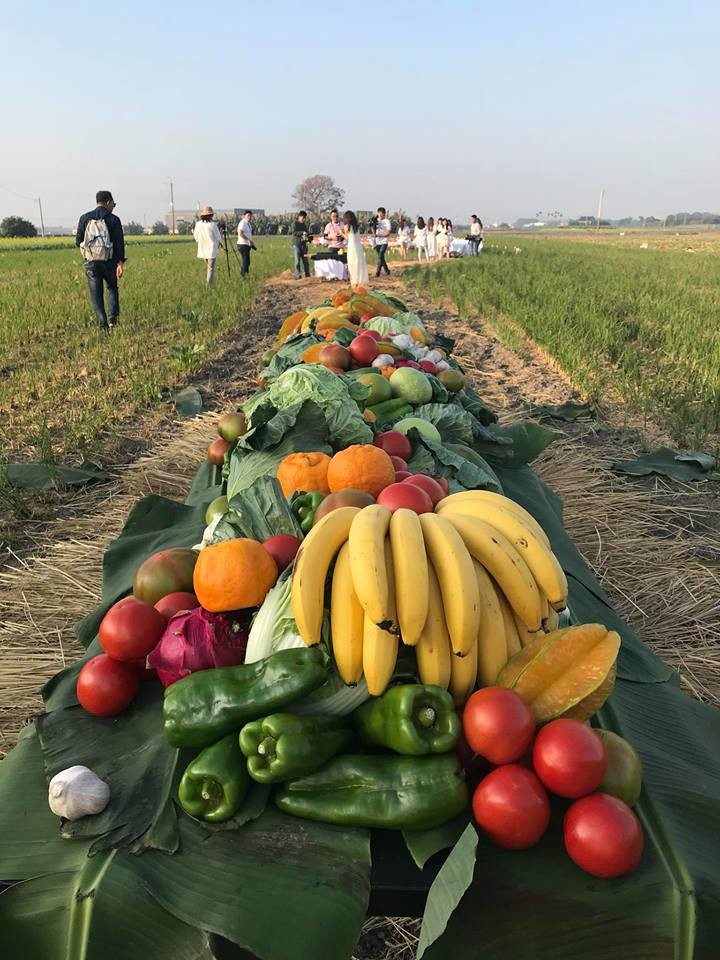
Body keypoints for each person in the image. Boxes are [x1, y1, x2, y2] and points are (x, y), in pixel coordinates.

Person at [75, 189, 125, 333]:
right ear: (108, 202)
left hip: (91, 263)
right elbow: (119, 244)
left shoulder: (84, 218)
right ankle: (112, 320)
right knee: (112, 289)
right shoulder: (114, 219)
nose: (113, 207)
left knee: (96, 296)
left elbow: (78, 241)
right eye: (113, 204)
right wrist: (120, 263)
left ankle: (103, 327)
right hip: (109, 262)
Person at [193, 206, 223, 286]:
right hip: (211, 250)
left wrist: (201, 242)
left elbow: (195, 236)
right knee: (211, 269)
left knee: (209, 267)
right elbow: (218, 237)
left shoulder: (198, 224)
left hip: (202, 249)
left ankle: (210, 284)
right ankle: (209, 285)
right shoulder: (213, 225)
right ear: (210, 215)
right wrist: (220, 244)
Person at [343, 210, 369, 289]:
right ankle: (360, 284)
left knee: (352, 265)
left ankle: (354, 284)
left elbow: (347, 238)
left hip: (352, 247)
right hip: (358, 247)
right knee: (359, 265)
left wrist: (341, 234)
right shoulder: (356, 226)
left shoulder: (346, 226)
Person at [292, 210, 311, 279]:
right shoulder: (295, 224)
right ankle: (298, 276)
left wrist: (308, 237)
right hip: (296, 244)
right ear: (299, 217)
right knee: (297, 261)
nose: (304, 219)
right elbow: (294, 232)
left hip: (304, 245)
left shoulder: (304, 225)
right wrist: (302, 233)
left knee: (305, 261)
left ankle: (307, 275)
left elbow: (307, 233)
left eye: (305, 218)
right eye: (303, 218)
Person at [374, 206, 391, 278]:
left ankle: (378, 271)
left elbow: (388, 232)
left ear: (384, 214)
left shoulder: (387, 221)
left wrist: (380, 235)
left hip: (384, 242)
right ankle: (387, 270)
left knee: (381, 254)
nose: (380, 215)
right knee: (381, 257)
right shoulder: (376, 221)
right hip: (377, 242)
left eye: (381, 214)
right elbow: (373, 230)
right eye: (379, 213)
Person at [236, 210, 256, 276]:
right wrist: (248, 240)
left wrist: (250, 242)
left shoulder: (248, 223)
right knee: (245, 261)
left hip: (247, 245)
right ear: (244, 216)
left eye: (250, 216)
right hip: (242, 245)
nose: (249, 217)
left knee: (247, 261)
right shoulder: (243, 223)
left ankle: (246, 274)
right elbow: (240, 233)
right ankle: (243, 276)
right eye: (248, 215)